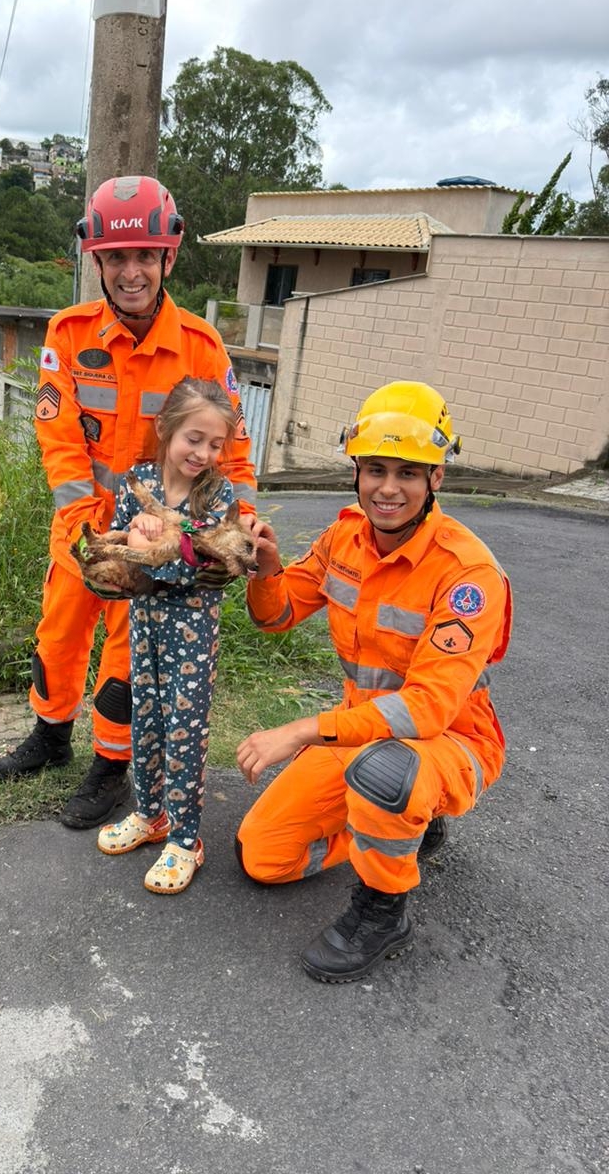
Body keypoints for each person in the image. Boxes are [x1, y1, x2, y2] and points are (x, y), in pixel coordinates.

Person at [0, 176, 257, 831]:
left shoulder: (200, 348)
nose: (130, 271)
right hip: (82, 529)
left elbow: (233, 447)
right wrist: (86, 527)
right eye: (116, 258)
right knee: (58, 637)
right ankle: (50, 735)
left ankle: (111, 767)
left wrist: (240, 526)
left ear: (169, 256)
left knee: (125, 658)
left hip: (154, 542)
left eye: (144, 257)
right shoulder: (69, 333)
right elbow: (58, 438)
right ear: (97, 260)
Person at [235, 380, 512, 983]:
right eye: (376, 470)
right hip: (361, 734)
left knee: (388, 773)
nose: (388, 488)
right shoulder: (344, 539)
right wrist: (266, 570)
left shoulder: (468, 575)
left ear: (436, 478)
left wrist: (302, 731)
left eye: (408, 473)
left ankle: (383, 910)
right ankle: (402, 826)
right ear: (357, 472)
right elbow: (277, 616)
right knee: (263, 856)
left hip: (450, 742)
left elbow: (425, 711)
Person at [93, 378, 241, 893]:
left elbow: (205, 563)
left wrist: (152, 546)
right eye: (194, 439)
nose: (203, 453)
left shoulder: (218, 494)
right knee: (146, 721)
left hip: (192, 632)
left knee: (184, 732)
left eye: (215, 444)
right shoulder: (136, 481)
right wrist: (134, 544)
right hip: (145, 627)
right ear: (165, 429)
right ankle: (151, 814)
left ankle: (185, 839)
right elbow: (118, 552)